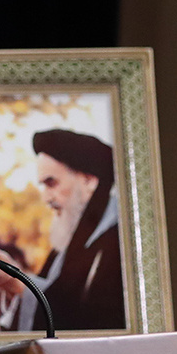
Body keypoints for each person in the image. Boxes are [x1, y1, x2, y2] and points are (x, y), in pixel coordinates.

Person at [7, 127, 124, 331]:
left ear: (88, 181)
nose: (46, 198)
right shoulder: (62, 250)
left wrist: (16, 283)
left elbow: (92, 324)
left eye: (51, 183)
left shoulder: (120, 243)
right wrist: (10, 283)